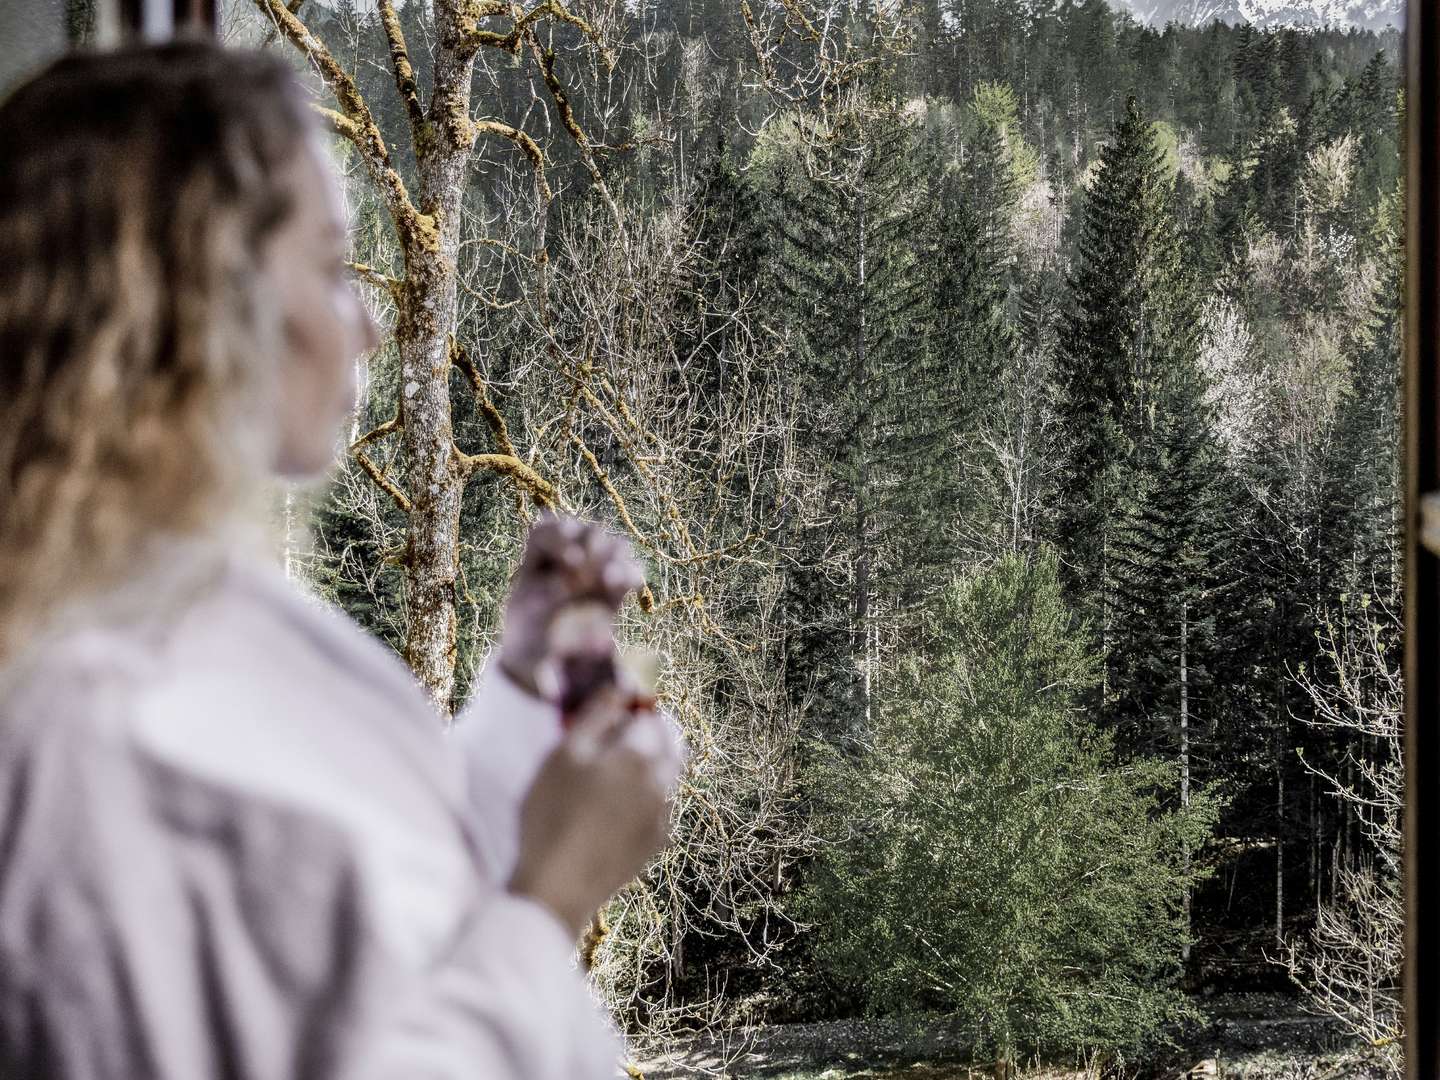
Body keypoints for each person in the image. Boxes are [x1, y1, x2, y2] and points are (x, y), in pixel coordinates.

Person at [0, 40, 685, 1079]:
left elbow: (373, 909)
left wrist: (520, 682)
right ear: (191, 307)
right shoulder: (96, 738)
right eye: (329, 268)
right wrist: (554, 902)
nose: (367, 324)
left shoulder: (178, 607)